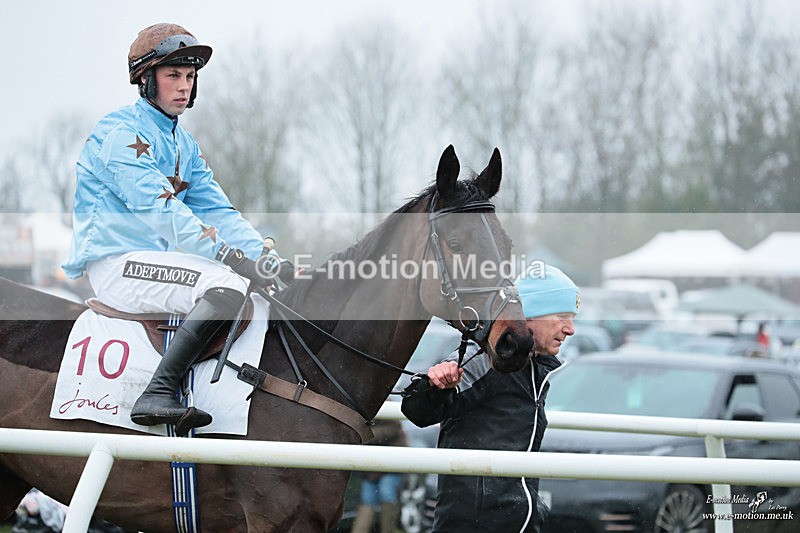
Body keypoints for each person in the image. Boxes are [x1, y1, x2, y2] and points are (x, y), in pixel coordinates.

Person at [62, 23, 292, 433]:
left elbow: (219, 211)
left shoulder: (184, 144)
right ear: (146, 80)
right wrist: (229, 257)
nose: (183, 86)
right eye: (173, 76)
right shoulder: (119, 134)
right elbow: (162, 211)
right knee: (226, 286)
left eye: (189, 77)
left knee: (251, 292)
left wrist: (266, 259)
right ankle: (157, 392)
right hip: (117, 264)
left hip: (156, 263)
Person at [401, 264, 579, 533]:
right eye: (563, 316)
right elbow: (417, 411)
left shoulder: (536, 367)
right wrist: (435, 385)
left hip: (520, 522)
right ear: (532, 313)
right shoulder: (484, 358)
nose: (571, 329)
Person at [350, 419, 408, 533]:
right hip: (373, 466)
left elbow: (391, 431)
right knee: (368, 500)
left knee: (385, 494)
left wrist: (365, 434)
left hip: (391, 463)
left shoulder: (382, 406)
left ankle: (387, 530)